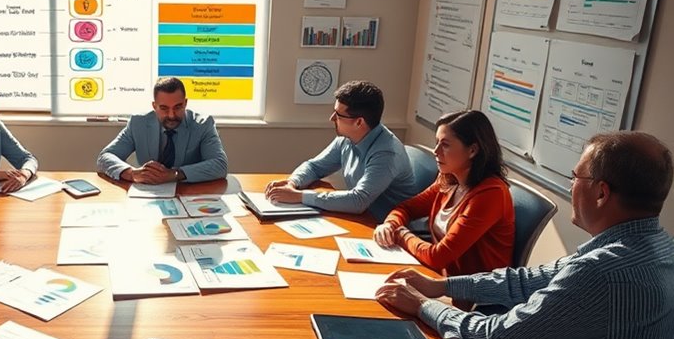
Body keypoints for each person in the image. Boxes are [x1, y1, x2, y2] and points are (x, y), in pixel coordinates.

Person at [376, 131, 674, 339]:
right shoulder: (658, 249)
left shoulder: (602, 273)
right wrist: (443, 286)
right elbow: (529, 279)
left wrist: (423, 306)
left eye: (575, 177)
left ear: (601, 193)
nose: (571, 186)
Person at [373, 110, 514, 276]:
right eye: (437, 142)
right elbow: (407, 209)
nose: (436, 151)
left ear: (472, 150)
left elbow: (438, 257)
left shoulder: (491, 194)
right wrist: (390, 224)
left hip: (473, 293)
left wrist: (400, 234)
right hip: (440, 278)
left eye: (445, 145)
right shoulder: (449, 178)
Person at [265, 81, 418, 221]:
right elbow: (314, 166)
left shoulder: (386, 153)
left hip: (387, 229)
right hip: (361, 219)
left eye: (338, 114)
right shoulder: (347, 138)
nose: (332, 118)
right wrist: (293, 182)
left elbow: (359, 200)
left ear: (359, 122)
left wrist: (300, 197)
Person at [97, 77, 228, 183]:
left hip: (189, 194)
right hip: (148, 195)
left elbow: (220, 165)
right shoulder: (138, 123)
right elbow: (105, 157)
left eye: (178, 107)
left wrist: (175, 174)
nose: (171, 115)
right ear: (154, 106)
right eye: (164, 108)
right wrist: (131, 174)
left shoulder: (203, 124)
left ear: (185, 103)